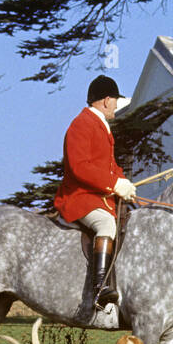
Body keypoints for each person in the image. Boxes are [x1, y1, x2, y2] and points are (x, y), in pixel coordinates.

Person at [54, 76, 138, 309]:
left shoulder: (100, 124)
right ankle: (99, 288)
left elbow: (108, 166)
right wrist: (114, 184)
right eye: (115, 101)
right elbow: (79, 166)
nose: (116, 106)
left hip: (99, 196)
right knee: (106, 226)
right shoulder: (81, 124)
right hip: (80, 197)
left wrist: (124, 182)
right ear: (106, 100)